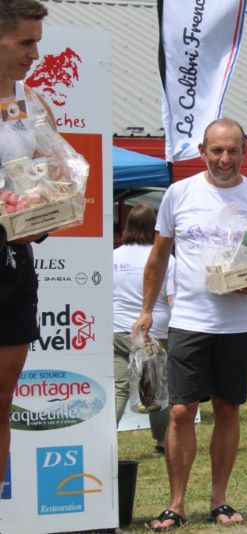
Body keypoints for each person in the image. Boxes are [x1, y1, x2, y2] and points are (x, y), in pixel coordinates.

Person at [132, 118, 247, 531]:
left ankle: (219, 500)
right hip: (190, 319)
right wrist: (146, 309)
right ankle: (175, 504)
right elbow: (159, 257)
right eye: (217, 151)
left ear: (245, 152)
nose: (224, 159)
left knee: (227, 409)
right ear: (202, 151)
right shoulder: (179, 193)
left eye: (232, 151)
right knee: (180, 411)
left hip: (237, 322)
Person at [0, 0, 50, 495]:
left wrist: (39, 215)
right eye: (26, 42)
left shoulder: (31, 105)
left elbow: (49, 179)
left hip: (13, 266)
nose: (35, 54)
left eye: (37, 41)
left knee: (2, 401)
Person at [113, 204, 174, 455]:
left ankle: (106, 443)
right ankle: (162, 442)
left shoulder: (112, 256)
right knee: (155, 388)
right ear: (153, 228)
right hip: (154, 331)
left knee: (119, 388)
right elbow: (172, 298)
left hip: (117, 329)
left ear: (127, 226)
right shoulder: (164, 258)